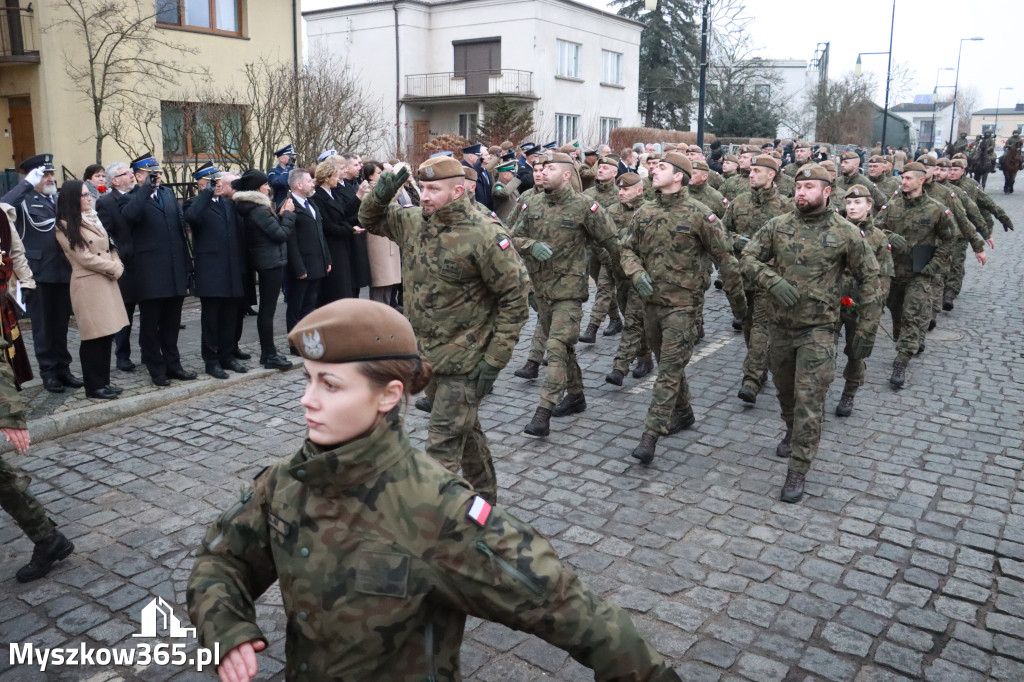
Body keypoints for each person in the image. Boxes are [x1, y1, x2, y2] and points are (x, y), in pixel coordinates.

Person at [187, 299, 680, 682]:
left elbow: (570, 610)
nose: (306, 400)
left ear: (388, 396)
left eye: (330, 386)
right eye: (309, 380)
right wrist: (226, 630)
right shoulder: (289, 479)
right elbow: (221, 558)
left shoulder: (439, 511)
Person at [359, 157, 528, 504]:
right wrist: (383, 191)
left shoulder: (484, 234)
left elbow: (515, 300)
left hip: (467, 360)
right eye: (422, 187)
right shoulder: (413, 222)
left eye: (435, 189)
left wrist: (494, 361)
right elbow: (368, 219)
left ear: (459, 190)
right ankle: (486, 502)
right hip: (427, 357)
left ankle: (438, 534)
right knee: (467, 432)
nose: (426, 195)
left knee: (442, 449)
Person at [741, 163, 881, 503]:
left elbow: (871, 279)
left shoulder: (846, 232)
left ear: (827, 191)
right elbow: (747, 257)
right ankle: (791, 431)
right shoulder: (778, 226)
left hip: (818, 329)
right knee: (785, 393)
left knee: (809, 399)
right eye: (798, 187)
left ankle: (798, 468)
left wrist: (866, 330)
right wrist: (771, 280)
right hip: (780, 327)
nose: (801, 192)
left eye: (809, 187)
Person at [620, 153, 746, 465]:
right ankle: (684, 412)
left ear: (679, 176)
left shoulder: (700, 213)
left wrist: (740, 306)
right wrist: (636, 272)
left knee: (670, 369)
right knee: (666, 362)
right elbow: (626, 248)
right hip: (651, 304)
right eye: (655, 166)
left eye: (662, 167)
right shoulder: (645, 211)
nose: (654, 169)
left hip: (684, 305)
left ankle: (650, 434)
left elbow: (726, 258)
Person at [512, 153, 622, 438]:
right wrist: (529, 244)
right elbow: (512, 237)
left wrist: (629, 275)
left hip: (569, 292)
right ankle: (576, 395)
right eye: (541, 168)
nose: (543, 172)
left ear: (565, 175)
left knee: (557, 348)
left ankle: (543, 412)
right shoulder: (531, 202)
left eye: (550, 168)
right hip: (539, 290)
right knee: (564, 348)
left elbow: (612, 243)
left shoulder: (586, 207)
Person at [1, 154, 82, 394]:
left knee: (61, 325)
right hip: (39, 274)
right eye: (44, 174)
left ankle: (63, 368)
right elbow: (3, 207)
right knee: (44, 327)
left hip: (62, 270)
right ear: (32, 176)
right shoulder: (24, 200)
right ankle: (48, 372)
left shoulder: (55, 199)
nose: (50, 178)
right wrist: (25, 184)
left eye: (51, 174)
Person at [875, 162, 957, 388]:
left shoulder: (935, 209)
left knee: (912, 312)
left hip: (920, 270)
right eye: (902, 178)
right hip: (893, 270)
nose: (904, 182)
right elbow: (874, 228)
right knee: (896, 310)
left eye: (908, 178)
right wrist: (889, 235)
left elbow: (950, 237)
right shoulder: (892, 205)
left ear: (921, 180)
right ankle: (909, 339)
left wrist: (936, 263)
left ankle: (901, 360)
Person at [722, 155, 794, 405]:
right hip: (741, 276)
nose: (750, 174)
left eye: (757, 171)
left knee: (762, 327)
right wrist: (734, 240)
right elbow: (722, 232)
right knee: (748, 324)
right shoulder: (739, 202)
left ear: (771, 175)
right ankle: (760, 367)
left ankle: (751, 379)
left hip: (769, 277)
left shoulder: (786, 207)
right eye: (750, 170)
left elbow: (795, 242)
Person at [121, 153, 196, 387]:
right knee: (150, 325)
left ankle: (174, 365)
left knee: (172, 323)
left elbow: (179, 233)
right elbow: (129, 216)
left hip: (174, 270)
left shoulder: (168, 194)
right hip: (150, 274)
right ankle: (156, 368)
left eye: (159, 173)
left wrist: (187, 264)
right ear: (138, 176)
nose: (158, 177)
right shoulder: (131, 198)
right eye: (152, 174)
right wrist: (145, 189)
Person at [54, 179, 128, 400]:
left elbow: (109, 246)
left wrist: (118, 264)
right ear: (72, 199)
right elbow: (84, 257)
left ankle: (104, 381)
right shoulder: (63, 226)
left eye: (89, 194)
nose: (89, 198)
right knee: (94, 337)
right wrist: (113, 267)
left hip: (106, 281)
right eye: (84, 195)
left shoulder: (93, 218)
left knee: (107, 334)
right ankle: (93, 386)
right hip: (88, 285)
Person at [184, 165, 249, 380]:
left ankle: (227, 355)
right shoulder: (195, 203)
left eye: (219, 180)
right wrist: (206, 193)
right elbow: (192, 218)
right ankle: (211, 360)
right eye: (213, 180)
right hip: (211, 272)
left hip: (231, 270)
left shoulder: (227, 204)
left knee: (230, 316)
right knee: (211, 319)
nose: (219, 184)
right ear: (201, 183)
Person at [834, 185, 893, 417]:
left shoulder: (878, 238)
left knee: (855, 352)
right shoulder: (835, 230)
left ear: (869, 206)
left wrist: (873, 314)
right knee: (822, 350)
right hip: (830, 302)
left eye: (858, 203)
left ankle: (849, 393)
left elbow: (884, 278)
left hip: (858, 306)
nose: (852, 207)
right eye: (849, 203)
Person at [231, 170, 292, 370]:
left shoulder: (254, 207)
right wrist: (289, 216)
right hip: (269, 263)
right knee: (267, 311)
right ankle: (269, 354)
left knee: (267, 310)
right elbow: (280, 234)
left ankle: (269, 352)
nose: (269, 187)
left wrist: (281, 215)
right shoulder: (258, 209)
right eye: (266, 185)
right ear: (258, 188)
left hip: (267, 261)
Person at [604, 172, 654, 385]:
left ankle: (620, 367)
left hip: (641, 275)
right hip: (619, 275)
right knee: (631, 318)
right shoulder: (611, 211)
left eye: (626, 189)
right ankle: (645, 357)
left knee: (633, 321)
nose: (621, 193)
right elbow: (601, 240)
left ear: (639, 190)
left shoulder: (649, 211)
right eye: (620, 189)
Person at [96, 161, 139, 373]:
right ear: (114, 181)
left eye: (131, 173)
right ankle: (122, 355)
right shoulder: (106, 202)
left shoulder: (139, 195)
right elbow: (105, 233)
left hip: (146, 261)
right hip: (125, 263)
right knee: (125, 313)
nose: (131, 176)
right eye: (125, 174)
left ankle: (151, 350)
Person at [580, 156, 623, 343]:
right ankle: (615, 319)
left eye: (606, 168)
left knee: (605, 289)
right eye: (600, 167)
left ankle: (593, 327)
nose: (601, 170)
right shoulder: (588, 194)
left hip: (612, 250)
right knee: (602, 287)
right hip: (592, 251)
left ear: (615, 173)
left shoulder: (620, 194)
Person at [284, 168, 331, 337]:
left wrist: (327, 259)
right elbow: (291, 241)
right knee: (296, 305)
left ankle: (308, 338)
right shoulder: (289, 206)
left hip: (317, 263)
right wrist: (298, 268)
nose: (313, 184)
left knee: (311, 304)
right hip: (302, 266)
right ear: (298, 184)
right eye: (309, 181)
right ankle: (295, 341)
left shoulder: (311, 203)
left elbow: (320, 233)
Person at [309, 159, 356, 306]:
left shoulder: (332, 194)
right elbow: (327, 225)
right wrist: (350, 229)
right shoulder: (318, 197)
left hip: (340, 245)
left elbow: (342, 214)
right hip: (331, 246)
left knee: (344, 285)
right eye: (335, 176)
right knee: (335, 288)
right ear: (327, 178)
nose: (338, 179)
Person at [361, 161, 402, 306]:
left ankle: (388, 310)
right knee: (380, 281)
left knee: (389, 282)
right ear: (370, 176)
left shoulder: (382, 189)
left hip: (389, 239)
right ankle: (378, 314)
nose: (382, 176)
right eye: (379, 173)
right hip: (377, 241)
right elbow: (386, 200)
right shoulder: (368, 191)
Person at [461, 143, 492, 209]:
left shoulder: (477, 168)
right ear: (471, 157)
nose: (481, 158)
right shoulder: (463, 170)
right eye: (479, 156)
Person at [266, 144, 294, 208]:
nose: (292, 158)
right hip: (281, 206)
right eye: (290, 155)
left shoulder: (294, 171)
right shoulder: (273, 172)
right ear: (281, 159)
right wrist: (288, 167)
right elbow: (280, 182)